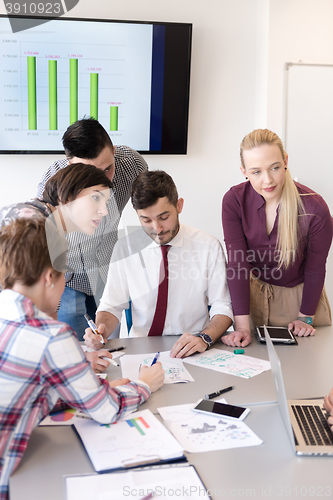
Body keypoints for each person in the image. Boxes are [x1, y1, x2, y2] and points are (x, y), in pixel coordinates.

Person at [0, 218, 164, 500]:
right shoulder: (50, 335)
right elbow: (106, 411)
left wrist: (88, 390)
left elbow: (29, 388)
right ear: (49, 277)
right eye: (65, 274)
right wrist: (144, 384)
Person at [84, 170, 233, 358]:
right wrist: (101, 331)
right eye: (146, 220)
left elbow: (222, 306)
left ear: (179, 205)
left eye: (164, 217)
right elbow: (111, 306)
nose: (157, 228)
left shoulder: (209, 246)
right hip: (139, 350)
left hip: (193, 348)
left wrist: (204, 338)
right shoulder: (125, 248)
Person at [36, 117, 148, 338]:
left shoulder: (132, 165)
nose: (103, 179)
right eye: (90, 173)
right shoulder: (52, 183)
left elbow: (145, 205)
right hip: (67, 278)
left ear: (113, 151)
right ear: (71, 166)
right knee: (75, 350)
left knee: (109, 349)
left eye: (107, 168)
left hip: (107, 272)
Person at [222, 129, 333, 347]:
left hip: (301, 300)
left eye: (274, 167)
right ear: (244, 171)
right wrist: (242, 326)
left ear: (285, 161)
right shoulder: (233, 201)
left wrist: (305, 318)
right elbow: (237, 264)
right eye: (256, 172)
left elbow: (315, 267)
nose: (268, 180)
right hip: (251, 300)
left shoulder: (315, 207)